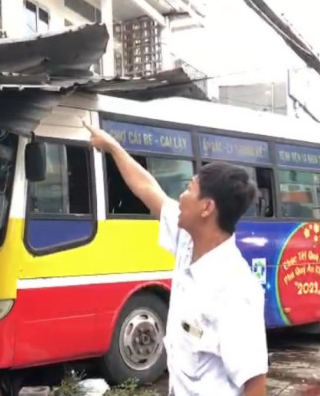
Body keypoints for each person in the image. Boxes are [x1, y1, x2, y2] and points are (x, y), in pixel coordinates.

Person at [83, 123, 268, 396]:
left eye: (188, 189)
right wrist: (112, 147)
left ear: (207, 207)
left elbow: (255, 384)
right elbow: (147, 188)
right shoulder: (187, 241)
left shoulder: (235, 289)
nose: (180, 197)